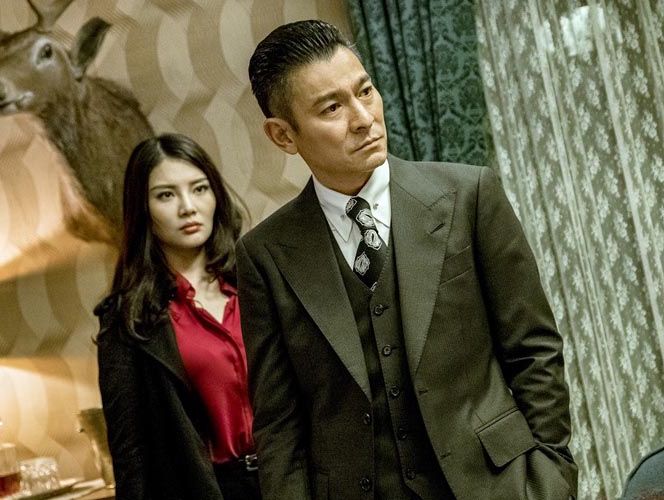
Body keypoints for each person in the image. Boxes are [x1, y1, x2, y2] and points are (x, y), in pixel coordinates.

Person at [237, 20, 577, 500]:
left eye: (365, 91)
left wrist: (552, 475)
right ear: (283, 135)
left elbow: (533, 348)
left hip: (497, 485)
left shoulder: (468, 195)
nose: (363, 118)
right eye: (332, 107)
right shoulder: (266, 254)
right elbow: (279, 423)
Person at [95, 133, 260, 500]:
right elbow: (130, 454)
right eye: (166, 195)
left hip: (289, 481)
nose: (188, 207)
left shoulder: (256, 284)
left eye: (199, 189)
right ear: (143, 209)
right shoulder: (128, 320)